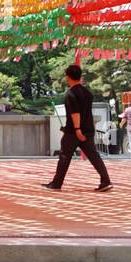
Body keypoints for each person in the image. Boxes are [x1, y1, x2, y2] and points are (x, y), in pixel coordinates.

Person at [44, 64, 112, 192]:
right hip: (88, 129)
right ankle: (105, 180)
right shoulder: (87, 93)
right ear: (80, 77)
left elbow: (76, 113)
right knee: (94, 156)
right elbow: (86, 112)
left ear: (68, 77)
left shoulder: (70, 94)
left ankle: (57, 183)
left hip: (74, 132)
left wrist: (77, 129)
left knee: (65, 156)